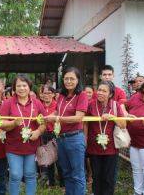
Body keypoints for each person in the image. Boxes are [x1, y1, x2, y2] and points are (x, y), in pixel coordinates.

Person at [0, 74, 47, 195]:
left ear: (29, 87)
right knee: (15, 175)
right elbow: (1, 124)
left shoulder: (37, 103)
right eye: (18, 85)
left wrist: (38, 131)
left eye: (24, 85)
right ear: (14, 88)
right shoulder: (8, 103)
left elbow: (44, 122)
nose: (21, 88)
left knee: (30, 175)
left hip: (32, 146)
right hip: (13, 146)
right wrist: (14, 123)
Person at [45, 67, 88, 195]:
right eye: (66, 78)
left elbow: (78, 117)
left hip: (74, 138)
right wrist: (48, 117)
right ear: (62, 80)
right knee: (66, 172)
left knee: (77, 174)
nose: (69, 81)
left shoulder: (82, 95)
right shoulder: (62, 96)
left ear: (78, 80)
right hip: (61, 139)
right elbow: (58, 111)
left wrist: (56, 118)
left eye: (72, 78)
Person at [84, 81, 126, 195]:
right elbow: (85, 123)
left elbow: (123, 124)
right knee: (96, 177)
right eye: (99, 90)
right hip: (94, 147)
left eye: (104, 91)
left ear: (111, 94)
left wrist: (112, 117)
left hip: (111, 148)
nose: (100, 93)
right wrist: (85, 139)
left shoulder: (115, 105)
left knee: (109, 178)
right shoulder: (91, 104)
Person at [39, 85, 58, 187]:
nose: (46, 95)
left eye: (49, 93)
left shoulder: (57, 105)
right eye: (44, 93)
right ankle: (51, 183)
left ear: (53, 94)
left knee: (58, 159)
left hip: (55, 134)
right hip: (43, 134)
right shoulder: (39, 105)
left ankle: (63, 183)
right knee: (47, 159)